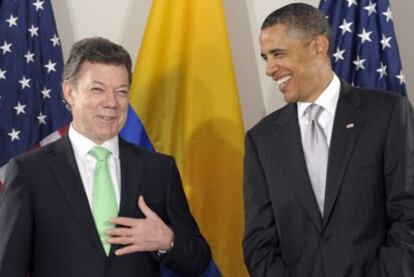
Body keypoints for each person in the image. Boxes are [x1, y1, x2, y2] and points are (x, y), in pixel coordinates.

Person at [0, 37, 211, 277]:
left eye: (121, 92)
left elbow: (199, 259)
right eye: (97, 89)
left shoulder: (158, 169)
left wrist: (166, 240)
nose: (111, 103)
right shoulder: (29, 171)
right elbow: (9, 268)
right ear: (69, 92)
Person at [242, 3, 414, 277]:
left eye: (278, 54)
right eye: (265, 57)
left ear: (318, 46)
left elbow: (408, 217)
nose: (270, 68)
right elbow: (258, 243)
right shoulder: (261, 140)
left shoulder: (388, 113)